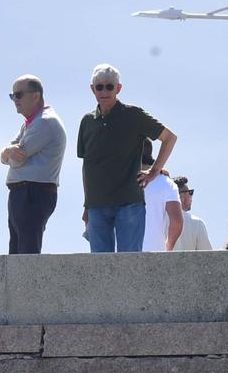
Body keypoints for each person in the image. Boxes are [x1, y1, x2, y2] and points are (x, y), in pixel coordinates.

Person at [75, 65, 177, 253]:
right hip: (97, 206)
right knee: (100, 268)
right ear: (92, 89)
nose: (104, 91)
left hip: (129, 203)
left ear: (118, 88)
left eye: (109, 86)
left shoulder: (133, 115)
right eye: (99, 87)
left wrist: (154, 171)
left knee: (129, 266)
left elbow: (169, 138)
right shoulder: (87, 122)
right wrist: (87, 205)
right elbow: (88, 165)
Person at [0, 74, 65, 254]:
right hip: (25, 193)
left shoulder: (44, 122)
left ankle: (27, 283)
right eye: (12, 96)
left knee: (26, 253)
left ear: (35, 96)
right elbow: (7, 153)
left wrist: (8, 153)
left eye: (19, 95)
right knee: (18, 251)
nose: (15, 100)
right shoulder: (31, 122)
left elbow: (16, 160)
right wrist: (7, 151)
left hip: (33, 193)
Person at [141, 161, 184, 252]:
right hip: (155, 251)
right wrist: (168, 246)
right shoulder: (166, 182)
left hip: (120, 253)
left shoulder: (119, 178)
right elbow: (177, 221)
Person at [172, 176, 214, 251]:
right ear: (182, 195)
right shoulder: (197, 223)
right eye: (190, 192)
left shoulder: (159, 222)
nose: (191, 197)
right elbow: (208, 256)